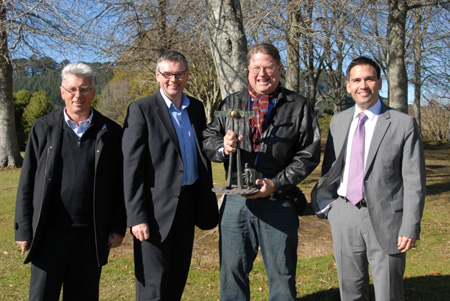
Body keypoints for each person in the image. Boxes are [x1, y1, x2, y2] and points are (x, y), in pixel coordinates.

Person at [203, 43, 321, 300]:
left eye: (268, 67)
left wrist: (276, 183)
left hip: (278, 201)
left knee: (282, 275)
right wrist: (223, 146)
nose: (262, 74)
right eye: (256, 67)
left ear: (280, 68)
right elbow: (210, 136)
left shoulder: (298, 106)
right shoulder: (232, 102)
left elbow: (308, 154)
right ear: (248, 70)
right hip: (236, 200)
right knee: (232, 273)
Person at [311, 56, 426, 300]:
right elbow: (331, 170)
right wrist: (330, 208)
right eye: (357, 80)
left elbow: (414, 181)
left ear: (379, 82)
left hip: (388, 219)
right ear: (348, 86)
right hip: (344, 214)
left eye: (369, 79)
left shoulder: (403, 124)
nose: (363, 85)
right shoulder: (339, 122)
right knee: (350, 291)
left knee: (389, 293)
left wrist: (410, 225)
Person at [14, 63, 126, 300]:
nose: (78, 95)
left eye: (84, 89)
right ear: (62, 91)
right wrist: (24, 229)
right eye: (72, 89)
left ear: (94, 92)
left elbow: (119, 184)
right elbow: (27, 182)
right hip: (48, 235)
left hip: (90, 237)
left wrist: (117, 225)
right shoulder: (43, 128)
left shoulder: (111, 132)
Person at [122, 50, 218, 300]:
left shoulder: (195, 108)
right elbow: (131, 168)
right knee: (153, 287)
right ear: (157, 76)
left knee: (177, 280)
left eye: (179, 74)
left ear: (187, 75)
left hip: (188, 205)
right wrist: (136, 217)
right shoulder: (141, 109)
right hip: (154, 212)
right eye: (167, 74)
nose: (173, 79)